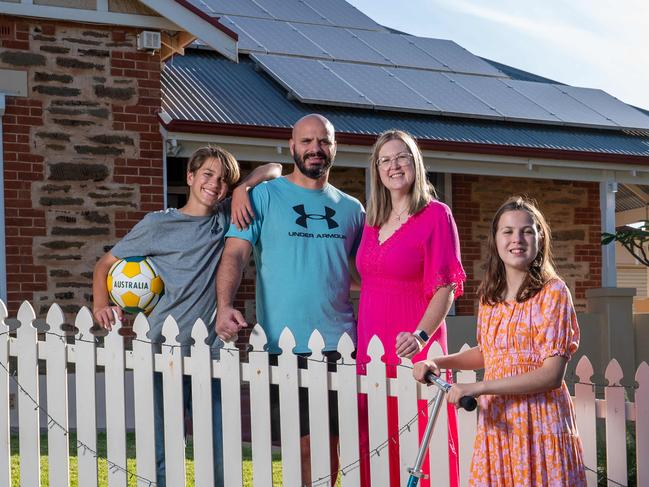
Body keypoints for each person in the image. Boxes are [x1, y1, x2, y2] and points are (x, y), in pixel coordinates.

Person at [92, 145, 281, 487]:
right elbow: (105, 264)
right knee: (161, 441)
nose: (215, 184)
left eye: (224, 180)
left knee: (218, 443)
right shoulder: (158, 223)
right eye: (207, 175)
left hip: (209, 350)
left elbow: (275, 167)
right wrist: (100, 304)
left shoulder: (227, 216)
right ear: (191, 177)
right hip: (159, 348)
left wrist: (243, 188)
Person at [215, 113, 365, 485]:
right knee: (298, 448)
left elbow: (363, 274)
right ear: (292, 146)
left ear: (334, 147)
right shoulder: (263, 196)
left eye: (324, 141)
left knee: (330, 447)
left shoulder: (352, 209)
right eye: (307, 141)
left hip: (339, 344)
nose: (316, 149)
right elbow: (234, 253)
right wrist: (224, 305)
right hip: (281, 344)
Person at [413, 196, 587, 486]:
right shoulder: (489, 297)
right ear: (495, 240)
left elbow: (552, 375)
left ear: (540, 239)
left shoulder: (553, 292)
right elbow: (490, 354)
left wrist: (479, 387)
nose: (517, 239)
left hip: (539, 424)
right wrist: (437, 361)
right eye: (507, 231)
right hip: (499, 423)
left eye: (527, 231)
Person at [355, 129, 465, 486]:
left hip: (413, 346)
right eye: (385, 160)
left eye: (401, 157)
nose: (393, 165)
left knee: (420, 443)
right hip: (372, 348)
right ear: (377, 170)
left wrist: (420, 337)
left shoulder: (436, 215)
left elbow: (447, 286)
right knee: (374, 438)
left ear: (415, 163)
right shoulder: (372, 221)